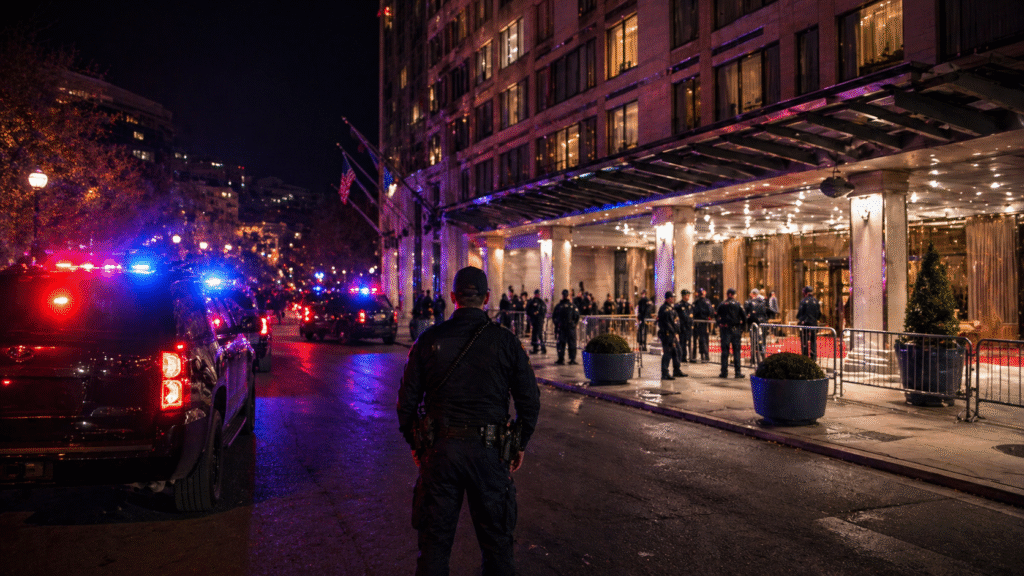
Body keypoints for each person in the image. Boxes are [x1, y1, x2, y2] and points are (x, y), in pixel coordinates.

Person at [396, 266, 541, 576]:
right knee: (497, 547)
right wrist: (519, 442)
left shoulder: (428, 340)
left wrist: (417, 443)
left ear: (453, 297)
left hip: (440, 452)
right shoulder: (506, 342)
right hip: (489, 453)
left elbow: (406, 403)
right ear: (487, 298)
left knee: (434, 546)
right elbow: (529, 400)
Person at [716, 288, 746, 378]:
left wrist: (720, 324)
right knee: (736, 351)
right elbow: (744, 317)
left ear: (727, 294)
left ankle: (724, 372)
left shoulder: (722, 304)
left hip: (725, 330)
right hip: (735, 330)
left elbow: (716, 315)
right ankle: (737, 372)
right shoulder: (738, 304)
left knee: (725, 352)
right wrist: (742, 328)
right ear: (733, 295)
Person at [657, 291, 686, 380]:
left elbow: (676, 321)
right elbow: (667, 323)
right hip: (667, 334)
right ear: (668, 298)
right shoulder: (664, 308)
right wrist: (673, 331)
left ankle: (676, 370)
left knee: (677, 351)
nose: (673, 299)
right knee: (668, 353)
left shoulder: (671, 308)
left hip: (672, 334)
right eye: (672, 297)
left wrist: (677, 331)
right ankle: (664, 373)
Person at [552, 289, 580, 365]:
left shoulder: (571, 306)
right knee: (561, 343)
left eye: (566, 295)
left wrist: (574, 324)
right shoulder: (559, 306)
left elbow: (577, 316)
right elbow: (554, 316)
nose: (565, 296)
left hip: (569, 328)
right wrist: (557, 324)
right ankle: (561, 358)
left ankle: (572, 359)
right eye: (564, 295)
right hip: (563, 328)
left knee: (571, 343)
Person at [744, 288, 769, 365]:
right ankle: (763, 359)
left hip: (754, 324)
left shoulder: (750, 302)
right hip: (762, 323)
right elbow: (767, 312)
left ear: (753, 294)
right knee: (762, 342)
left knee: (755, 343)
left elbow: (748, 313)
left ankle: (755, 360)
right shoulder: (764, 302)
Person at [797, 286, 823, 359]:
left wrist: (800, 320)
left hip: (805, 324)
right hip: (813, 323)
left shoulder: (803, 301)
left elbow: (800, 313)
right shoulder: (816, 301)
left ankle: (805, 356)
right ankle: (813, 356)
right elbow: (819, 313)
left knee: (804, 341)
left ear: (805, 293)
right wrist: (815, 319)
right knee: (813, 340)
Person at [692, 288, 713, 362]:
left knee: (697, 340)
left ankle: (695, 356)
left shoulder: (696, 302)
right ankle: (705, 356)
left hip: (697, 323)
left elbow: (694, 312)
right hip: (703, 323)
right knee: (704, 340)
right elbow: (710, 311)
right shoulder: (706, 301)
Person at [674, 289, 694, 364]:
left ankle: (688, 356)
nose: (688, 297)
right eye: (687, 295)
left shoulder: (689, 305)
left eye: (689, 295)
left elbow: (691, 316)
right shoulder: (678, 305)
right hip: (682, 327)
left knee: (688, 343)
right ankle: (682, 356)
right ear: (683, 296)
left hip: (688, 327)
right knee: (682, 343)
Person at [526, 289, 547, 355]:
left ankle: (542, 348)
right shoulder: (532, 302)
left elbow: (544, 310)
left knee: (539, 334)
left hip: (539, 320)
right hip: (534, 320)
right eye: (537, 294)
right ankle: (536, 348)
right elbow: (528, 309)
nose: (538, 295)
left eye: (538, 294)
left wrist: (541, 317)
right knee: (535, 334)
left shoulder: (541, 302)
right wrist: (532, 315)